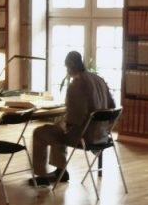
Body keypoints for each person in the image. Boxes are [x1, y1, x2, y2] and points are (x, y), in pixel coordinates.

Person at [31, 51, 115, 186]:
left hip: (85, 137)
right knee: (56, 130)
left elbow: (75, 119)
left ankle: (41, 176)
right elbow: (112, 106)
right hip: (102, 135)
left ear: (69, 66)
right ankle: (60, 172)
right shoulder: (98, 79)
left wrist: (63, 124)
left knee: (41, 133)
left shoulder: (77, 84)